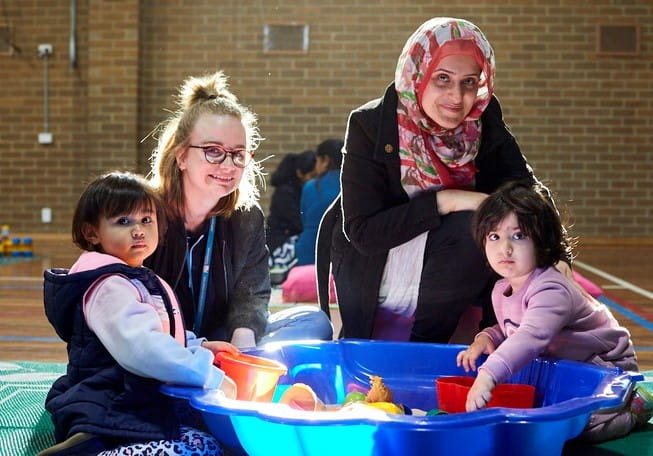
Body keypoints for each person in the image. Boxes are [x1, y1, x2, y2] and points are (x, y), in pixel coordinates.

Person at [317, 17, 565, 340]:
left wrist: (560, 260)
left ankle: (454, 340)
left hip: (451, 260)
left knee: (495, 227)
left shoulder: (482, 117)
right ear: (418, 75)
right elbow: (363, 233)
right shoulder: (370, 124)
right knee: (472, 220)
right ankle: (418, 349)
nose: (456, 97)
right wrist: (446, 201)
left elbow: (529, 193)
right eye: (443, 79)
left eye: (469, 82)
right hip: (379, 260)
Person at [41, 172, 238, 456]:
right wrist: (205, 373)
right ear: (91, 232)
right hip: (111, 403)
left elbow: (161, 331)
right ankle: (91, 448)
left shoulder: (134, 276)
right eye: (124, 221)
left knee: (209, 431)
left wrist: (199, 346)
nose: (138, 230)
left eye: (146, 220)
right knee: (202, 447)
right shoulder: (108, 286)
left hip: (133, 395)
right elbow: (144, 349)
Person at [146, 70, 332, 348]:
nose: (228, 165)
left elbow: (252, 293)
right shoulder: (145, 212)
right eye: (213, 150)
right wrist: (191, 347)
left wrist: (243, 338)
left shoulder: (247, 216)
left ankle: (228, 367)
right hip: (160, 343)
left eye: (238, 153)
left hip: (223, 343)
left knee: (314, 322)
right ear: (182, 156)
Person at [457, 180, 652, 442]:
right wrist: (487, 337)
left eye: (518, 235)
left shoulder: (551, 288)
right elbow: (512, 327)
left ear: (542, 242)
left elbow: (530, 336)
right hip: (565, 364)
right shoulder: (501, 288)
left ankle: (634, 408)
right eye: (495, 236)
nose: (505, 248)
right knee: (538, 414)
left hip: (605, 368)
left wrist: (488, 374)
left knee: (580, 427)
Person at [266, 149, 317, 280]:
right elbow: (298, 223)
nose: (315, 181)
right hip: (281, 243)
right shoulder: (285, 193)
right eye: (312, 176)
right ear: (300, 173)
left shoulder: (299, 189)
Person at [295, 138, 343, 266]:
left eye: (317, 160)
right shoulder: (354, 186)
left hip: (310, 249)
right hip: (342, 249)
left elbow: (304, 219)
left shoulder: (310, 187)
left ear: (325, 160)